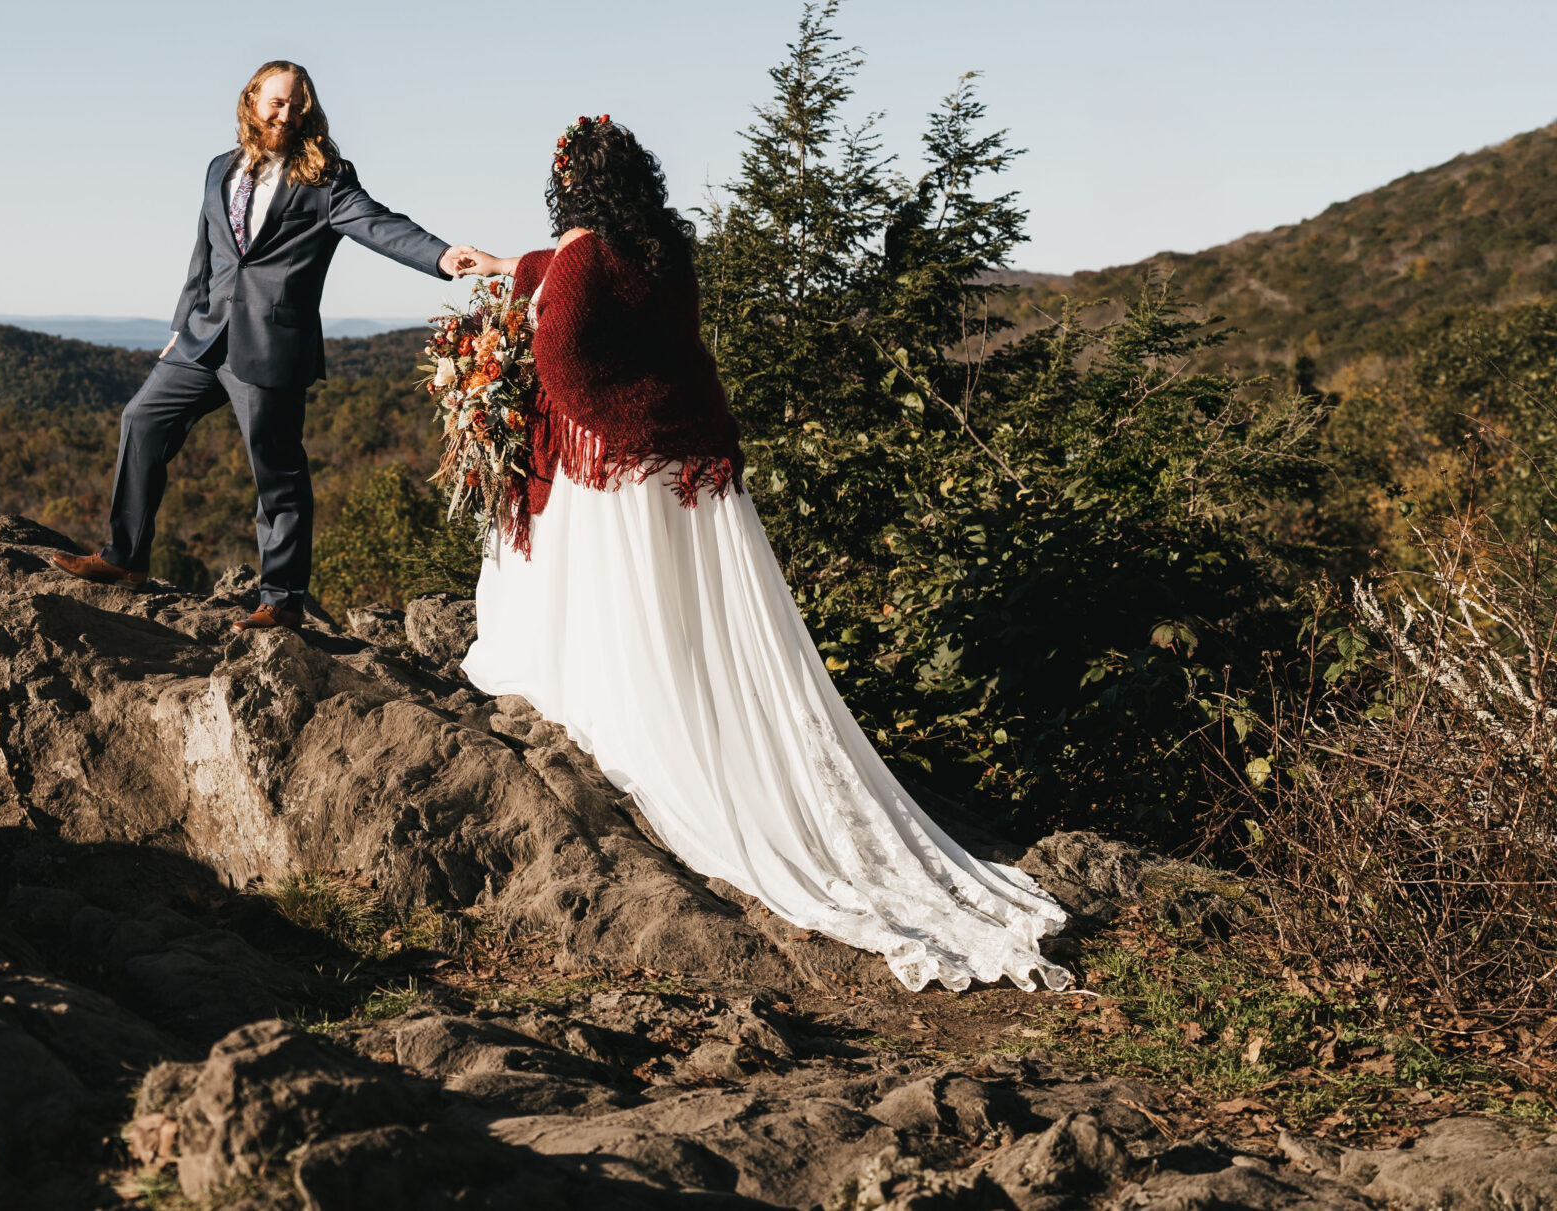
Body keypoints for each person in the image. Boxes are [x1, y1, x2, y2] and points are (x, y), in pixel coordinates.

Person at [452, 115, 1071, 993]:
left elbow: (560, 347)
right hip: (684, 455)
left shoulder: (585, 252)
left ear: (569, 187)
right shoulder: (661, 244)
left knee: (624, 606)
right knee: (689, 608)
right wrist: (507, 265)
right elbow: (580, 275)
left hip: (618, 466)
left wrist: (589, 420)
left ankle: (641, 716)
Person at [53, 61, 484, 630]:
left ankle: (281, 602)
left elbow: (379, 224)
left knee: (276, 473)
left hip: (271, 344)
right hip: (204, 336)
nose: (287, 114)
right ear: (252, 100)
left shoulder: (326, 177)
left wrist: (442, 256)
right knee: (142, 420)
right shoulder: (219, 168)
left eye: (297, 105)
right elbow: (206, 254)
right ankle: (124, 557)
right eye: (277, 102)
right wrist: (181, 325)